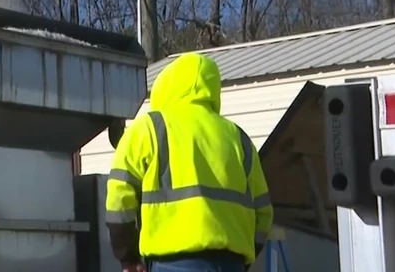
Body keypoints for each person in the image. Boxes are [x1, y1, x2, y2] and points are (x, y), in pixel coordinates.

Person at [104, 52, 273, 272]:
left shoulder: (149, 128)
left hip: (171, 263)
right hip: (232, 263)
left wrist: (127, 256)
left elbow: (119, 198)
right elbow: (264, 213)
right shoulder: (238, 138)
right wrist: (244, 257)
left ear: (165, 87)